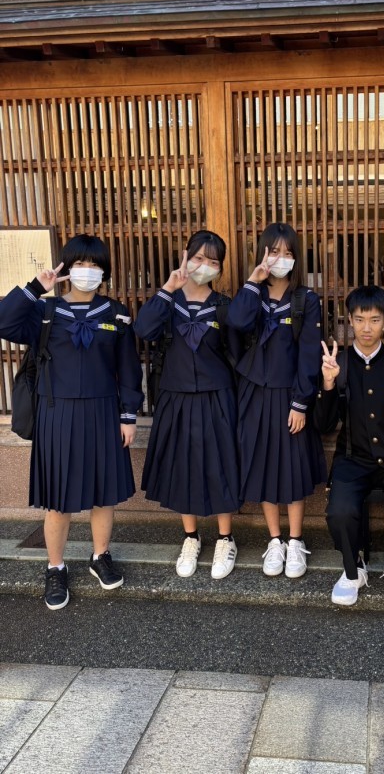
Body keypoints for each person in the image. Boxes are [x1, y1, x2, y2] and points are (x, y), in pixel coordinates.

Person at [0, 234, 143, 610]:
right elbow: (3, 322)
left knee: (104, 493)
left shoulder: (116, 313)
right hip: (57, 414)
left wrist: (128, 415)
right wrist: (36, 287)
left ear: (104, 272)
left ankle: (100, 556)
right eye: (80, 263)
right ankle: (55, 567)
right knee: (58, 500)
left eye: (95, 265)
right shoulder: (45, 311)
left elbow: (129, 369)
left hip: (104, 413)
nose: (88, 271)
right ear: (67, 267)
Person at [135, 230, 242, 580]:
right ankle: (191, 537)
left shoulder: (225, 306)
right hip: (175, 395)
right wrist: (168, 288)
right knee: (182, 465)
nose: (204, 265)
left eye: (213, 261)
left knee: (221, 464)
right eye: (198, 258)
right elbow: (143, 330)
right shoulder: (168, 302)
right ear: (185, 256)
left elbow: (237, 353)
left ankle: (225, 538)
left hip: (217, 395)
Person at [315, 285, 384, 608]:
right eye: (360, 319)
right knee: (339, 511)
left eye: (375, 320)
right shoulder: (339, 363)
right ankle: (353, 569)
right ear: (349, 320)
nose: (367, 328)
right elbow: (324, 425)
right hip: (353, 459)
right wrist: (328, 384)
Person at [226, 223, 326, 578]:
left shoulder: (305, 299)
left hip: (289, 395)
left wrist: (301, 402)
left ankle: (295, 541)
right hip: (254, 392)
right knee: (264, 464)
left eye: (288, 253)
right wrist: (253, 282)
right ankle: (274, 540)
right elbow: (236, 322)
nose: (281, 259)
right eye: (274, 252)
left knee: (292, 467)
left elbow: (310, 354)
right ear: (262, 255)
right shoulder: (251, 294)